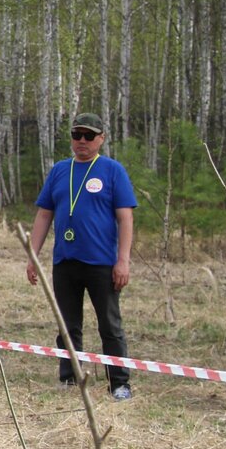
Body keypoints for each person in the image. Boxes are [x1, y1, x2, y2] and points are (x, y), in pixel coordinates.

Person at [27, 113, 137, 400]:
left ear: (101, 138)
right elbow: (44, 214)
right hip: (65, 261)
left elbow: (125, 218)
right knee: (67, 324)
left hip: (102, 263)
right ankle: (69, 377)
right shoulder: (60, 170)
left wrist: (122, 260)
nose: (83, 141)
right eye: (77, 135)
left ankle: (119, 383)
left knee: (110, 325)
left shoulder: (113, 170)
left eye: (89, 135)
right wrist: (32, 256)